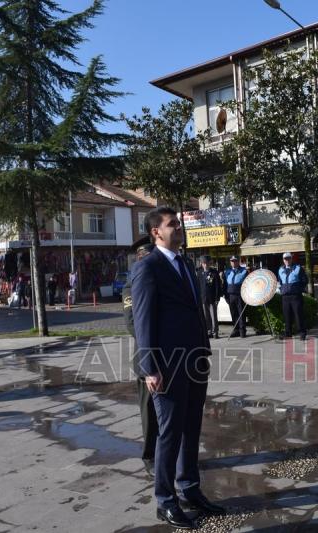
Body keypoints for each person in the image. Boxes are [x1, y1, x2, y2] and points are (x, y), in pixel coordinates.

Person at [131, 207, 224, 529]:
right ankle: (165, 501)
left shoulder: (185, 264)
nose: (179, 228)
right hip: (166, 366)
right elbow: (142, 320)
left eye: (179, 224)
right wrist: (149, 368)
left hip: (194, 360)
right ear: (156, 231)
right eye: (173, 225)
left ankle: (190, 490)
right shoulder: (148, 267)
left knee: (191, 429)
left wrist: (204, 351)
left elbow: (195, 312)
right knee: (169, 434)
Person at [122, 238, 158, 475]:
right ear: (138, 258)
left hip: (172, 357)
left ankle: (171, 456)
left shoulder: (161, 282)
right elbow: (133, 324)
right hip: (146, 357)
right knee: (149, 412)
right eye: (143, 257)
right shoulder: (130, 287)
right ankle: (150, 457)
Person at [278, 252, 309, 341]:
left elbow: (305, 280)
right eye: (285, 259)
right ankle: (288, 333)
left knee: (298, 315)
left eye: (288, 258)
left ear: (291, 259)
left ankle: (302, 333)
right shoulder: (280, 269)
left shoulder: (298, 268)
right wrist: (282, 289)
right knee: (287, 316)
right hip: (285, 297)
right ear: (283, 260)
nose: (287, 260)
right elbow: (280, 281)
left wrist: (298, 289)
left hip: (296, 296)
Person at [196, 256, 222, 339]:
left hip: (212, 298)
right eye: (203, 263)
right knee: (206, 316)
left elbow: (218, 286)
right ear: (201, 264)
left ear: (209, 263)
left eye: (206, 263)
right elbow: (198, 286)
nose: (205, 265)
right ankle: (209, 331)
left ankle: (215, 332)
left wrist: (217, 298)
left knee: (213, 316)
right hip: (203, 298)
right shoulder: (199, 272)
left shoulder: (214, 272)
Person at [223, 256, 248, 338]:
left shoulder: (244, 271)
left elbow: (247, 283)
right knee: (233, 313)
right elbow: (225, 285)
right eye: (232, 261)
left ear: (238, 261)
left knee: (241, 313)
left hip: (240, 295)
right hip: (230, 295)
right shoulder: (227, 272)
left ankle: (242, 330)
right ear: (230, 262)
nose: (233, 262)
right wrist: (225, 296)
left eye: (235, 261)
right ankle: (236, 330)